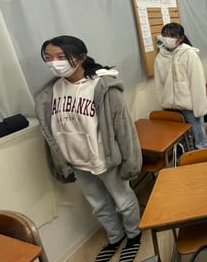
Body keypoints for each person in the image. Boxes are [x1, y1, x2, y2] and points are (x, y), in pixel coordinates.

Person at [34, 35, 142, 262]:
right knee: (98, 205)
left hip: (105, 159)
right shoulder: (51, 91)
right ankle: (115, 237)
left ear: (81, 58)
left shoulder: (102, 86)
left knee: (123, 200)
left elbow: (123, 127)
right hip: (76, 160)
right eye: (48, 57)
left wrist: (131, 161)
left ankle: (134, 236)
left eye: (61, 57)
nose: (54, 63)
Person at [154, 22, 207, 149]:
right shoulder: (160, 57)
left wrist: (199, 108)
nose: (166, 39)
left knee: (199, 138)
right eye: (164, 35)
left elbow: (197, 83)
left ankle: (203, 157)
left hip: (189, 107)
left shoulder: (189, 54)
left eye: (171, 36)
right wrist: (162, 102)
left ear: (180, 38)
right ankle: (185, 157)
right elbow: (159, 84)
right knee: (180, 139)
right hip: (170, 106)